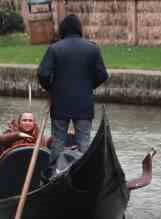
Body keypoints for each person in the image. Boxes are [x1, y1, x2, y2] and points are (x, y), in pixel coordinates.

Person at [36, 14, 108, 166]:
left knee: (58, 143)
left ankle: (55, 173)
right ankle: (84, 175)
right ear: (79, 29)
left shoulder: (55, 48)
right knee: (84, 144)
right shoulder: (92, 48)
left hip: (60, 103)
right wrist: (88, 86)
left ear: (62, 29)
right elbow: (102, 75)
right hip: (84, 104)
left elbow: (43, 74)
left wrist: (51, 88)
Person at [0, 111, 42, 179]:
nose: (27, 123)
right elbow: (1, 140)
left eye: (30, 121)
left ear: (34, 123)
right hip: (10, 172)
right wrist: (18, 135)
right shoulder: (11, 132)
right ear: (19, 122)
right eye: (24, 120)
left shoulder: (39, 137)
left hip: (31, 174)